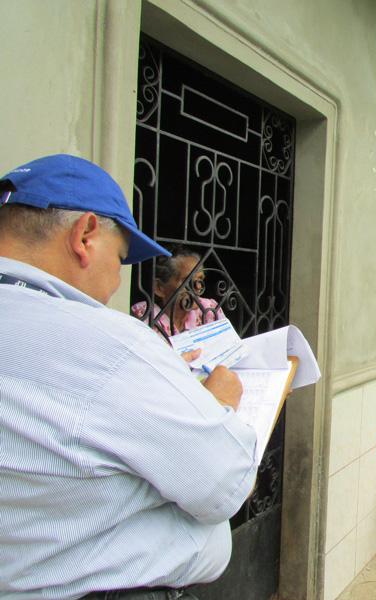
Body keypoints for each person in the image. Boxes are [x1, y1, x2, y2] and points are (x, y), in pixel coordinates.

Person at [0, 155, 259, 600]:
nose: (118, 283)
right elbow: (227, 484)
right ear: (85, 236)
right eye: (120, 259)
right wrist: (216, 403)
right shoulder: (110, 342)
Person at [131, 243, 225, 338]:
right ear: (159, 287)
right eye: (187, 281)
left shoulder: (209, 309)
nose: (197, 287)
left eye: (200, 279)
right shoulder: (146, 313)